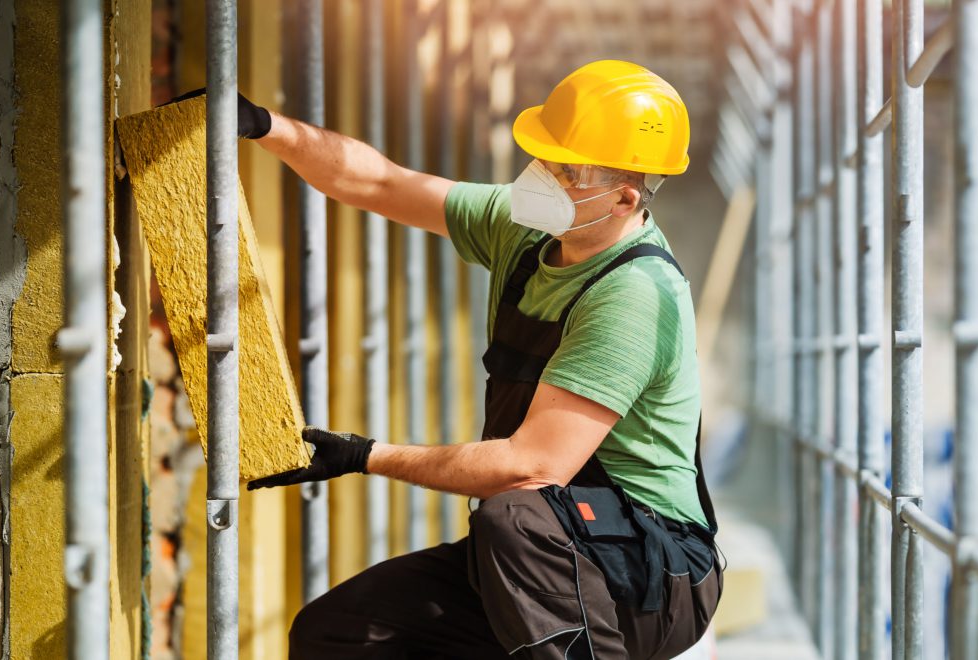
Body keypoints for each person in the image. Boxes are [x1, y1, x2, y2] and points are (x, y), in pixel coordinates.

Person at [241, 59, 722, 659]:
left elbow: (531, 466)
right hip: (553, 549)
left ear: (623, 198)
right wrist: (265, 126)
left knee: (514, 515)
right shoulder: (530, 233)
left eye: (564, 169)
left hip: (648, 571)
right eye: (544, 155)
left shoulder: (634, 297)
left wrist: (363, 455)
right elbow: (381, 184)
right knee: (339, 632)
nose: (539, 176)